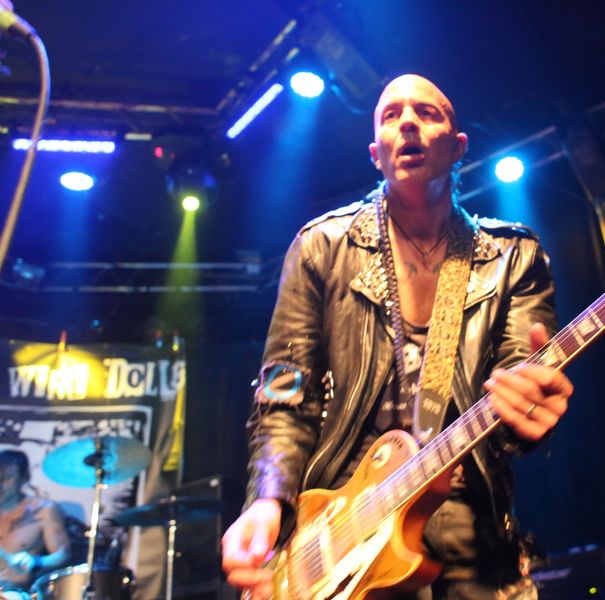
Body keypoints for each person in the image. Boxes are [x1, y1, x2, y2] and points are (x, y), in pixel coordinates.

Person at [222, 74, 573, 599]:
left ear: (458, 147)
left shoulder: (512, 257)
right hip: (341, 522)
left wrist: (530, 410)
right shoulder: (321, 247)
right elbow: (283, 396)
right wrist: (268, 498)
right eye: (391, 115)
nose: (408, 122)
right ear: (376, 154)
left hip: (466, 519)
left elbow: (516, 392)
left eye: (427, 113)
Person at [0, 449, 70, 598]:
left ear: (24, 478)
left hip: (13, 592)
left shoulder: (43, 510)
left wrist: (35, 562)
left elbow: (62, 555)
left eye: (6, 479)